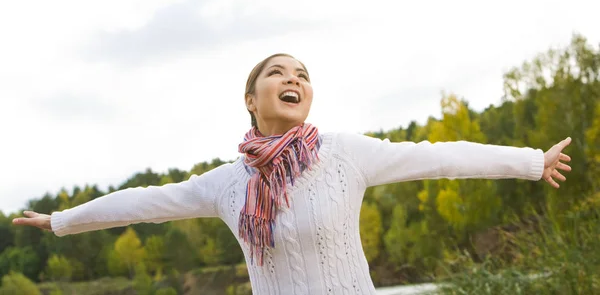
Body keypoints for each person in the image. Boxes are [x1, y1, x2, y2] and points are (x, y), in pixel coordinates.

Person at [13, 53, 572, 295]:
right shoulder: (227, 184)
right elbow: (145, 202)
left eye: (302, 74)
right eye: (278, 73)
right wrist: (62, 221)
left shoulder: (345, 154)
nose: (294, 79)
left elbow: (440, 154)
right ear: (251, 99)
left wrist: (529, 161)